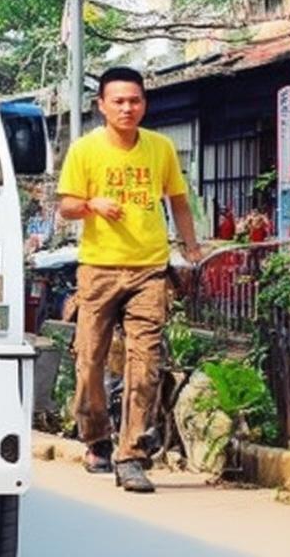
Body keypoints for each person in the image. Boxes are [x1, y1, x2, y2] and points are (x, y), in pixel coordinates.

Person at [58, 66, 202, 492]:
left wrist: (191, 247)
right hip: (98, 270)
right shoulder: (85, 150)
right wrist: (92, 204)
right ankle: (96, 438)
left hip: (150, 270)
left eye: (134, 100)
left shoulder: (160, 149)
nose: (127, 108)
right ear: (101, 105)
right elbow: (65, 206)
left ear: (144, 104)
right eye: (118, 101)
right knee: (89, 361)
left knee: (146, 364)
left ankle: (132, 454)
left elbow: (178, 201)